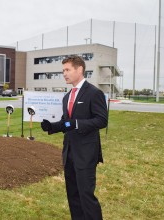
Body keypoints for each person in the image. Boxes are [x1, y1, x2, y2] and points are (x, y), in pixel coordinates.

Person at [41, 55, 108, 220]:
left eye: (67, 69)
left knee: (86, 196)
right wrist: (53, 126)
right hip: (69, 153)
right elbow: (66, 123)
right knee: (73, 195)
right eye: (63, 70)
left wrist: (76, 123)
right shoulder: (67, 97)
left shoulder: (94, 93)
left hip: (86, 153)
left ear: (79, 69)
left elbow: (102, 120)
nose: (64, 73)